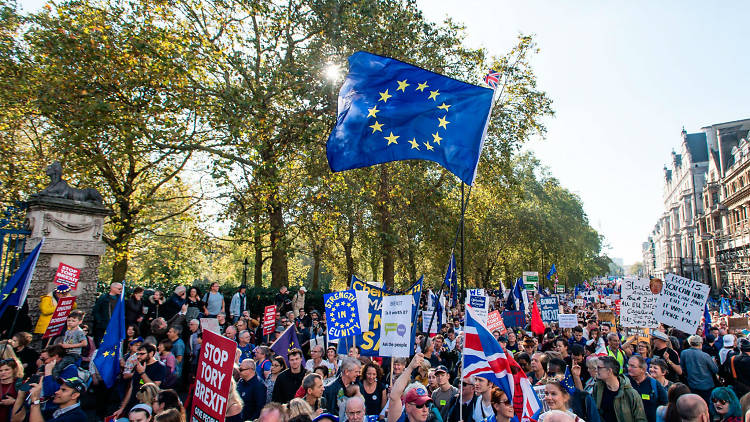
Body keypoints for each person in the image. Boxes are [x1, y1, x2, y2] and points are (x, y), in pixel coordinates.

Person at [115, 343, 167, 418]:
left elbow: (155, 387)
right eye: (137, 354)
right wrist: (122, 408)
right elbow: (131, 388)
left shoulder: (160, 366)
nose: (139, 357)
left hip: (148, 406)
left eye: (142, 354)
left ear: (151, 353)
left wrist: (142, 373)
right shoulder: (138, 365)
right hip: (133, 404)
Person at [591, 355, 647, 422]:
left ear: (609, 371)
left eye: (599, 368)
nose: (596, 370)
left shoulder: (631, 394)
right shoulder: (598, 388)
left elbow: (640, 419)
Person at [387, 354, 431, 422]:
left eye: (427, 404)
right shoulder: (400, 420)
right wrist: (410, 367)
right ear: (408, 407)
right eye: (420, 405)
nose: (425, 409)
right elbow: (394, 396)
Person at [626, 355, 667, 422]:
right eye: (628, 365)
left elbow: (665, 404)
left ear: (643, 369)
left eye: (633, 366)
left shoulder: (654, 384)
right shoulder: (623, 381)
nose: (629, 368)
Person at [679, 335, 717, 405]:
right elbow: (715, 369)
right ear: (700, 343)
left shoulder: (684, 353)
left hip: (692, 384)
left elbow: (683, 368)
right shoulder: (705, 355)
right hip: (706, 386)